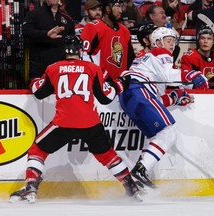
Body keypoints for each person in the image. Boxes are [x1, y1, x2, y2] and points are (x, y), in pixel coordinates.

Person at [9, 35, 141, 203]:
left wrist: (35, 79)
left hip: (64, 123)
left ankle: (31, 188)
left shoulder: (53, 68)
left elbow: (39, 91)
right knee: (108, 156)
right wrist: (121, 83)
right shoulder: (93, 68)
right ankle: (131, 188)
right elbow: (106, 97)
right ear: (81, 50)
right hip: (91, 124)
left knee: (37, 151)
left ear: (64, 50)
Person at [118, 27, 208, 188]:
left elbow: (156, 98)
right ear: (158, 42)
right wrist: (192, 75)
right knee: (168, 132)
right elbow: (169, 76)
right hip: (139, 90)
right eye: (168, 40)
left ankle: (137, 178)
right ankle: (140, 171)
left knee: (156, 137)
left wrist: (175, 97)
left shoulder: (145, 59)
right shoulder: (159, 52)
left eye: (174, 41)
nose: (172, 44)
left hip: (129, 96)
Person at [80, 0, 135, 80]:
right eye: (118, 6)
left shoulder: (125, 30)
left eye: (121, 7)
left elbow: (130, 57)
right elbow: (84, 55)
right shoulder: (93, 27)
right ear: (107, 9)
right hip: (100, 83)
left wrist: (125, 77)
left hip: (120, 84)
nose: (120, 11)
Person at [22, 0, 75, 81]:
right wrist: (46, 34)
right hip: (39, 67)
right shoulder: (34, 14)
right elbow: (26, 32)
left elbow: (71, 41)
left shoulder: (67, 19)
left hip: (60, 68)